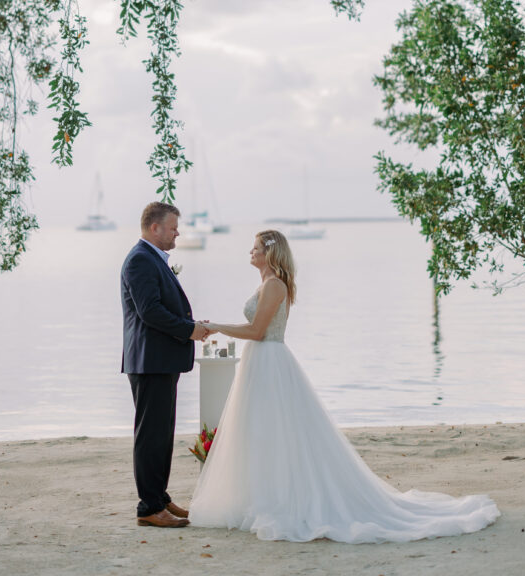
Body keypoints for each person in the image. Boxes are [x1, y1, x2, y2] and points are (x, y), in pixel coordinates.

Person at [188, 229, 500, 543]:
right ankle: (261, 497)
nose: (250, 253)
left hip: (269, 361)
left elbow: (257, 331)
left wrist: (213, 327)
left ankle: (279, 500)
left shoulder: (274, 285)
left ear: (269, 253)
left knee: (277, 432)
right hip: (260, 363)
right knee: (260, 432)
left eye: (255, 248)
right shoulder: (267, 284)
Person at [121, 201, 209, 528]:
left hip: (159, 359)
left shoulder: (150, 259)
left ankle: (160, 498)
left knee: (161, 433)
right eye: (173, 227)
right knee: (151, 436)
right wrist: (189, 330)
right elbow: (150, 311)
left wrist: (192, 324)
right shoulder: (140, 260)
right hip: (149, 361)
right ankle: (149, 506)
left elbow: (161, 307)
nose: (177, 233)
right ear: (154, 227)